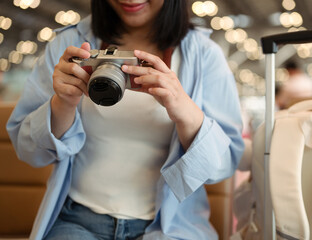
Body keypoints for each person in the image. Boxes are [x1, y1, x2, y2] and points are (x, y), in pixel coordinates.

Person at [6, 0, 244, 239]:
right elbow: (28, 150)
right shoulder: (69, 44)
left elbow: (224, 164)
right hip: (77, 220)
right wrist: (63, 103)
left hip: (170, 227)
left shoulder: (205, 54)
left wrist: (183, 108)